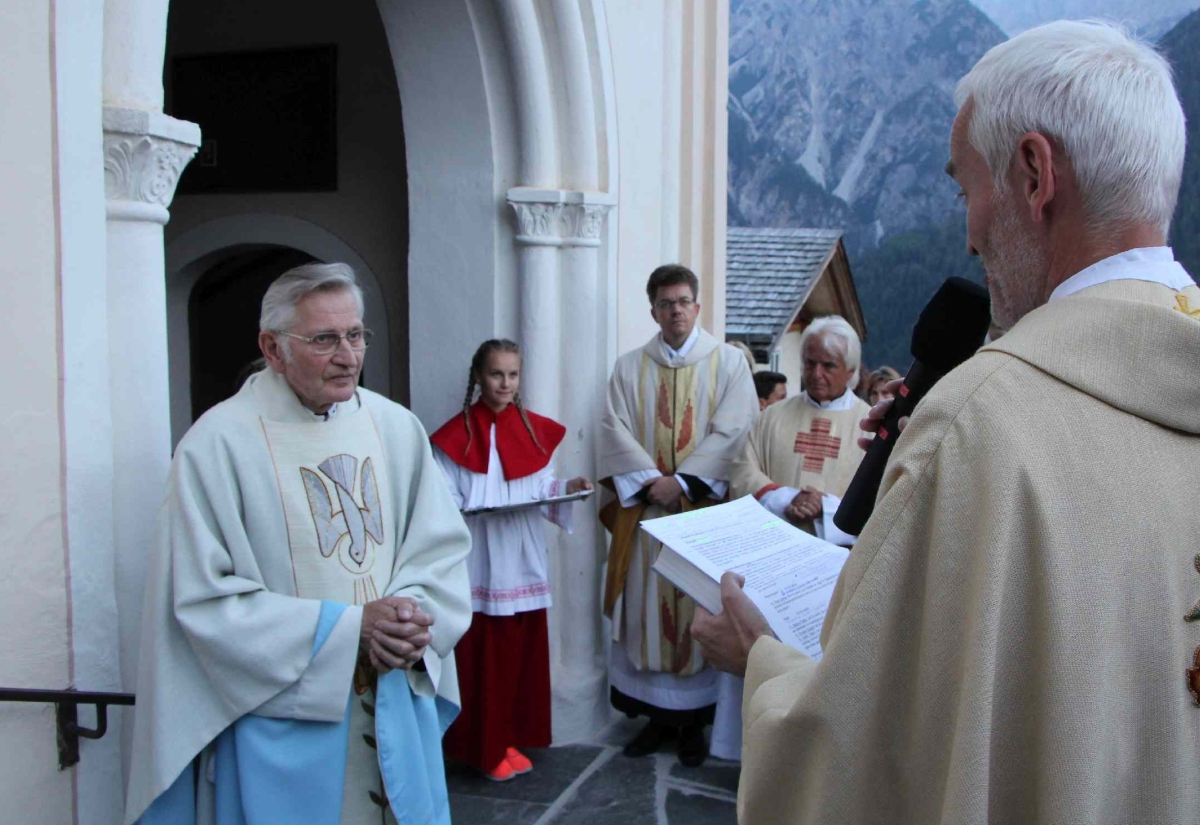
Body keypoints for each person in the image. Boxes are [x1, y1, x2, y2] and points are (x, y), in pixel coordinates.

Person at [692, 21, 1200, 824]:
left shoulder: (980, 424)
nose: (968, 234)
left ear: (1033, 173)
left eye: (967, 190)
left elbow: (867, 753)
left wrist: (759, 661)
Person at [125, 263, 473, 825]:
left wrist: (410, 615)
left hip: (392, 700)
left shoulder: (395, 427)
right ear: (272, 348)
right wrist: (350, 629)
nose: (348, 356)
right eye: (324, 339)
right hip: (279, 723)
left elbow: (439, 550)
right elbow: (201, 600)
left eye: (356, 335)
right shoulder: (218, 444)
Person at [597, 263, 758, 766]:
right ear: (653, 311)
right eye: (665, 304)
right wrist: (652, 482)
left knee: (698, 609)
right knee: (646, 611)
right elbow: (612, 428)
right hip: (647, 516)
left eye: (683, 301)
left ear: (697, 305)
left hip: (703, 514)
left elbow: (735, 431)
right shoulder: (628, 368)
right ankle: (655, 720)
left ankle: (693, 727)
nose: (676, 312)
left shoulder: (728, 364)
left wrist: (684, 483)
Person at [429, 339, 592, 782]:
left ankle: (508, 739)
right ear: (478, 377)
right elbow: (441, 496)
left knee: (520, 654)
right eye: (496, 374)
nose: (505, 383)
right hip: (479, 558)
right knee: (484, 658)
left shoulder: (532, 432)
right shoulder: (454, 437)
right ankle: (483, 748)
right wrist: (467, 508)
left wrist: (567, 489)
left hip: (521, 556)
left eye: (513, 374)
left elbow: (540, 490)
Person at [731, 316, 870, 547]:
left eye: (828, 366)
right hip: (774, 546)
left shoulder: (871, 426)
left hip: (841, 556)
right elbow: (742, 471)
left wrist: (826, 509)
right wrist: (785, 499)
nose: (816, 374)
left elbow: (882, 496)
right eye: (810, 363)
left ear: (851, 370)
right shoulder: (772, 416)